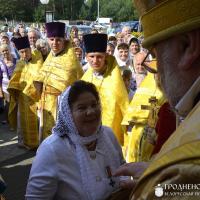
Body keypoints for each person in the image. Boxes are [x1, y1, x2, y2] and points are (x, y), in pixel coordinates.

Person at [114, 0, 200, 199]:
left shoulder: (183, 169)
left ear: (187, 46)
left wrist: (156, 183)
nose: (156, 69)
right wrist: (155, 169)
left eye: (155, 55)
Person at [26, 80, 125, 200]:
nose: (91, 112)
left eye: (94, 105)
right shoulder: (52, 149)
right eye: (82, 108)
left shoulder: (108, 134)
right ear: (68, 115)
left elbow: (122, 169)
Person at [33, 22, 83, 142]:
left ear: (64, 40)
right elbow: (41, 78)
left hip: (60, 104)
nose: (54, 43)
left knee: (59, 139)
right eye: (51, 39)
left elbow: (76, 86)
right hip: (46, 103)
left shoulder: (71, 61)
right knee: (45, 138)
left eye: (58, 40)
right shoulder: (50, 57)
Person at [81, 33, 129, 146]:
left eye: (99, 56)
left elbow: (123, 104)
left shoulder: (115, 78)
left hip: (111, 128)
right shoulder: (85, 78)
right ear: (87, 57)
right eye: (92, 56)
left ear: (105, 56)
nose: (95, 60)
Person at [7, 36, 43, 149]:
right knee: (22, 121)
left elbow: (40, 78)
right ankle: (24, 142)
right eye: (21, 52)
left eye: (26, 51)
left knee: (37, 122)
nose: (24, 54)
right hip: (22, 97)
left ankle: (37, 144)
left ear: (30, 49)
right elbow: (15, 79)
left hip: (35, 98)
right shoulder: (20, 63)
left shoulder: (38, 60)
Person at [0, 44, 17, 124]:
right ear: (1, 52)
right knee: (8, 104)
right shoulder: (0, 62)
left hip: (15, 86)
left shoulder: (15, 60)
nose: (5, 52)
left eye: (6, 50)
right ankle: (8, 120)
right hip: (5, 87)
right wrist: (0, 90)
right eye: (3, 51)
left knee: (15, 103)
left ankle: (15, 119)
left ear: (9, 50)